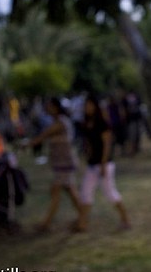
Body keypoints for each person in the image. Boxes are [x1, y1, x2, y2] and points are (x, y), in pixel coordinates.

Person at [27, 97, 85, 232]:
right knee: (70, 191)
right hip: (61, 163)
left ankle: (46, 223)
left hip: (65, 163)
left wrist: (28, 144)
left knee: (56, 190)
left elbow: (44, 135)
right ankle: (83, 217)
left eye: (49, 106)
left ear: (56, 107)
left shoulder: (61, 122)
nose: (47, 108)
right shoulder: (57, 121)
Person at [80, 95, 131, 231]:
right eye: (86, 105)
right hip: (92, 164)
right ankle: (82, 223)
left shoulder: (102, 123)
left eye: (90, 105)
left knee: (110, 193)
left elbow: (107, 145)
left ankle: (125, 220)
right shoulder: (87, 123)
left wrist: (103, 164)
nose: (87, 108)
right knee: (86, 193)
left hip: (104, 164)